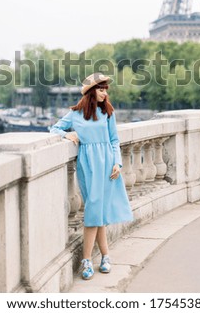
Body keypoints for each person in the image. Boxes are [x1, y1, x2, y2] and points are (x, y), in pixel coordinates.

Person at [50, 72, 133, 280]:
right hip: (88, 165)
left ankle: (101, 257)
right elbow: (54, 128)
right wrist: (67, 134)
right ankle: (91, 258)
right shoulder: (75, 114)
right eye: (101, 89)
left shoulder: (108, 113)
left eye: (106, 89)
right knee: (94, 211)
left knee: (100, 212)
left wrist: (117, 162)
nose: (105, 93)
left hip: (107, 165)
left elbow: (114, 140)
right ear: (90, 92)